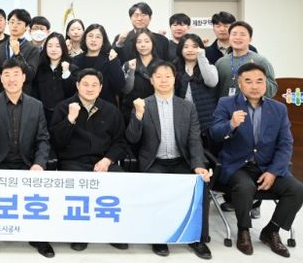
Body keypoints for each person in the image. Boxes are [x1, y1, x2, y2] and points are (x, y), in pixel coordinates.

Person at [210, 63, 303, 258]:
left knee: (296, 189)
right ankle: (243, 231)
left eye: (259, 81)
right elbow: (214, 134)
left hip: (268, 166)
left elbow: (285, 144)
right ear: (240, 83)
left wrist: (273, 171)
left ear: (266, 83)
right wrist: (231, 124)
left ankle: (271, 231)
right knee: (245, 187)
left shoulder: (278, 108)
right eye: (248, 81)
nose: (254, 86)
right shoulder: (226, 104)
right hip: (237, 166)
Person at [125, 61, 212, 259]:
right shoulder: (142, 104)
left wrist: (198, 165)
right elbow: (132, 139)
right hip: (154, 162)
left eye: (168, 76)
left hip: (181, 161)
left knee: (199, 188)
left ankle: (198, 238)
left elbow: (194, 139)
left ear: (174, 79)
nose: (163, 80)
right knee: (158, 191)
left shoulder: (187, 106)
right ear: (152, 80)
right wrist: (138, 115)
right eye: (158, 76)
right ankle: (160, 237)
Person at [0, 57, 53, 258]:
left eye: (16, 74)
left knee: (37, 199)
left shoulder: (36, 105)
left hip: (26, 163)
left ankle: (38, 237)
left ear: (24, 78)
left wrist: (39, 163)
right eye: (7, 75)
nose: (11, 79)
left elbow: (43, 139)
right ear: (1, 79)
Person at [50, 68, 128, 252]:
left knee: (120, 181)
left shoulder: (111, 110)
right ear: (77, 85)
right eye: (85, 84)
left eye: (94, 85)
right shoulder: (63, 107)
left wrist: (107, 160)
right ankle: (80, 233)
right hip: (73, 161)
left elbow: (120, 142)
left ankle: (113, 232)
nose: (90, 88)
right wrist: (70, 119)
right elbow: (56, 142)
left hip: (103, 161)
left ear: (100, 88)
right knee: (77, 187)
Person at [215, 21, 277, 98]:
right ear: (229, 38)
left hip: (252, 105)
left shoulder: (260, 61)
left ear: (250, 39)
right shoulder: (220, 62)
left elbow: (272, 91)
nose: (238, 37)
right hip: (225, 105)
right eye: (234, 34)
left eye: (242, 34)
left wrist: (257, 73)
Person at [174, 33, 218, 134]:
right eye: (186, 47)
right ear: (180, 49)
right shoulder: (173, 68)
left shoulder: (209, 66)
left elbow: (212, 82)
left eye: (194, 47)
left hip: (206, 120)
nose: (190, 50)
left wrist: (202, 57)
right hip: (182, 119)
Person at [71, 24, 125, 105]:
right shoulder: (75, 60)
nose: (93, 40)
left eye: (98, 37)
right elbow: (71, 88)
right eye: (90, 36)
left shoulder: (111, 58)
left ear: (103, 41)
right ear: (85, 38)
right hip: (80, 106)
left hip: (106, 106)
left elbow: (119, 85)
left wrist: (113, 62)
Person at [0, 8, 40, 96]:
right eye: (12, 22)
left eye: (19, 23)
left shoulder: (33, 49)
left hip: (24, 96)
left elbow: (30, 75)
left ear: (26, 26)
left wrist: (18, 54)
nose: (14, 26)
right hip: (3, 96)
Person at [32, 32, 77, 126]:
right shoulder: (39, 68)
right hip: (42, 115)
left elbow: (72, 92)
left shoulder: (73, 68)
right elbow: (35, 92)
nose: (53, 49)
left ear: (63, 48)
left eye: (57, 46)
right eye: (50, 46)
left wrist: (66, 73)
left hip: (64, 115)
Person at [121, 29, 158, 120]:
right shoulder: (128, 64)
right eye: (139, 42)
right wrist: (131, 71)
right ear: (135, 45)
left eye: (147, 41)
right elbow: (125, 90)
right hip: (131, 111)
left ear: (153, 43)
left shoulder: (161, 65)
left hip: (155, 111)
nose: (143, 45)